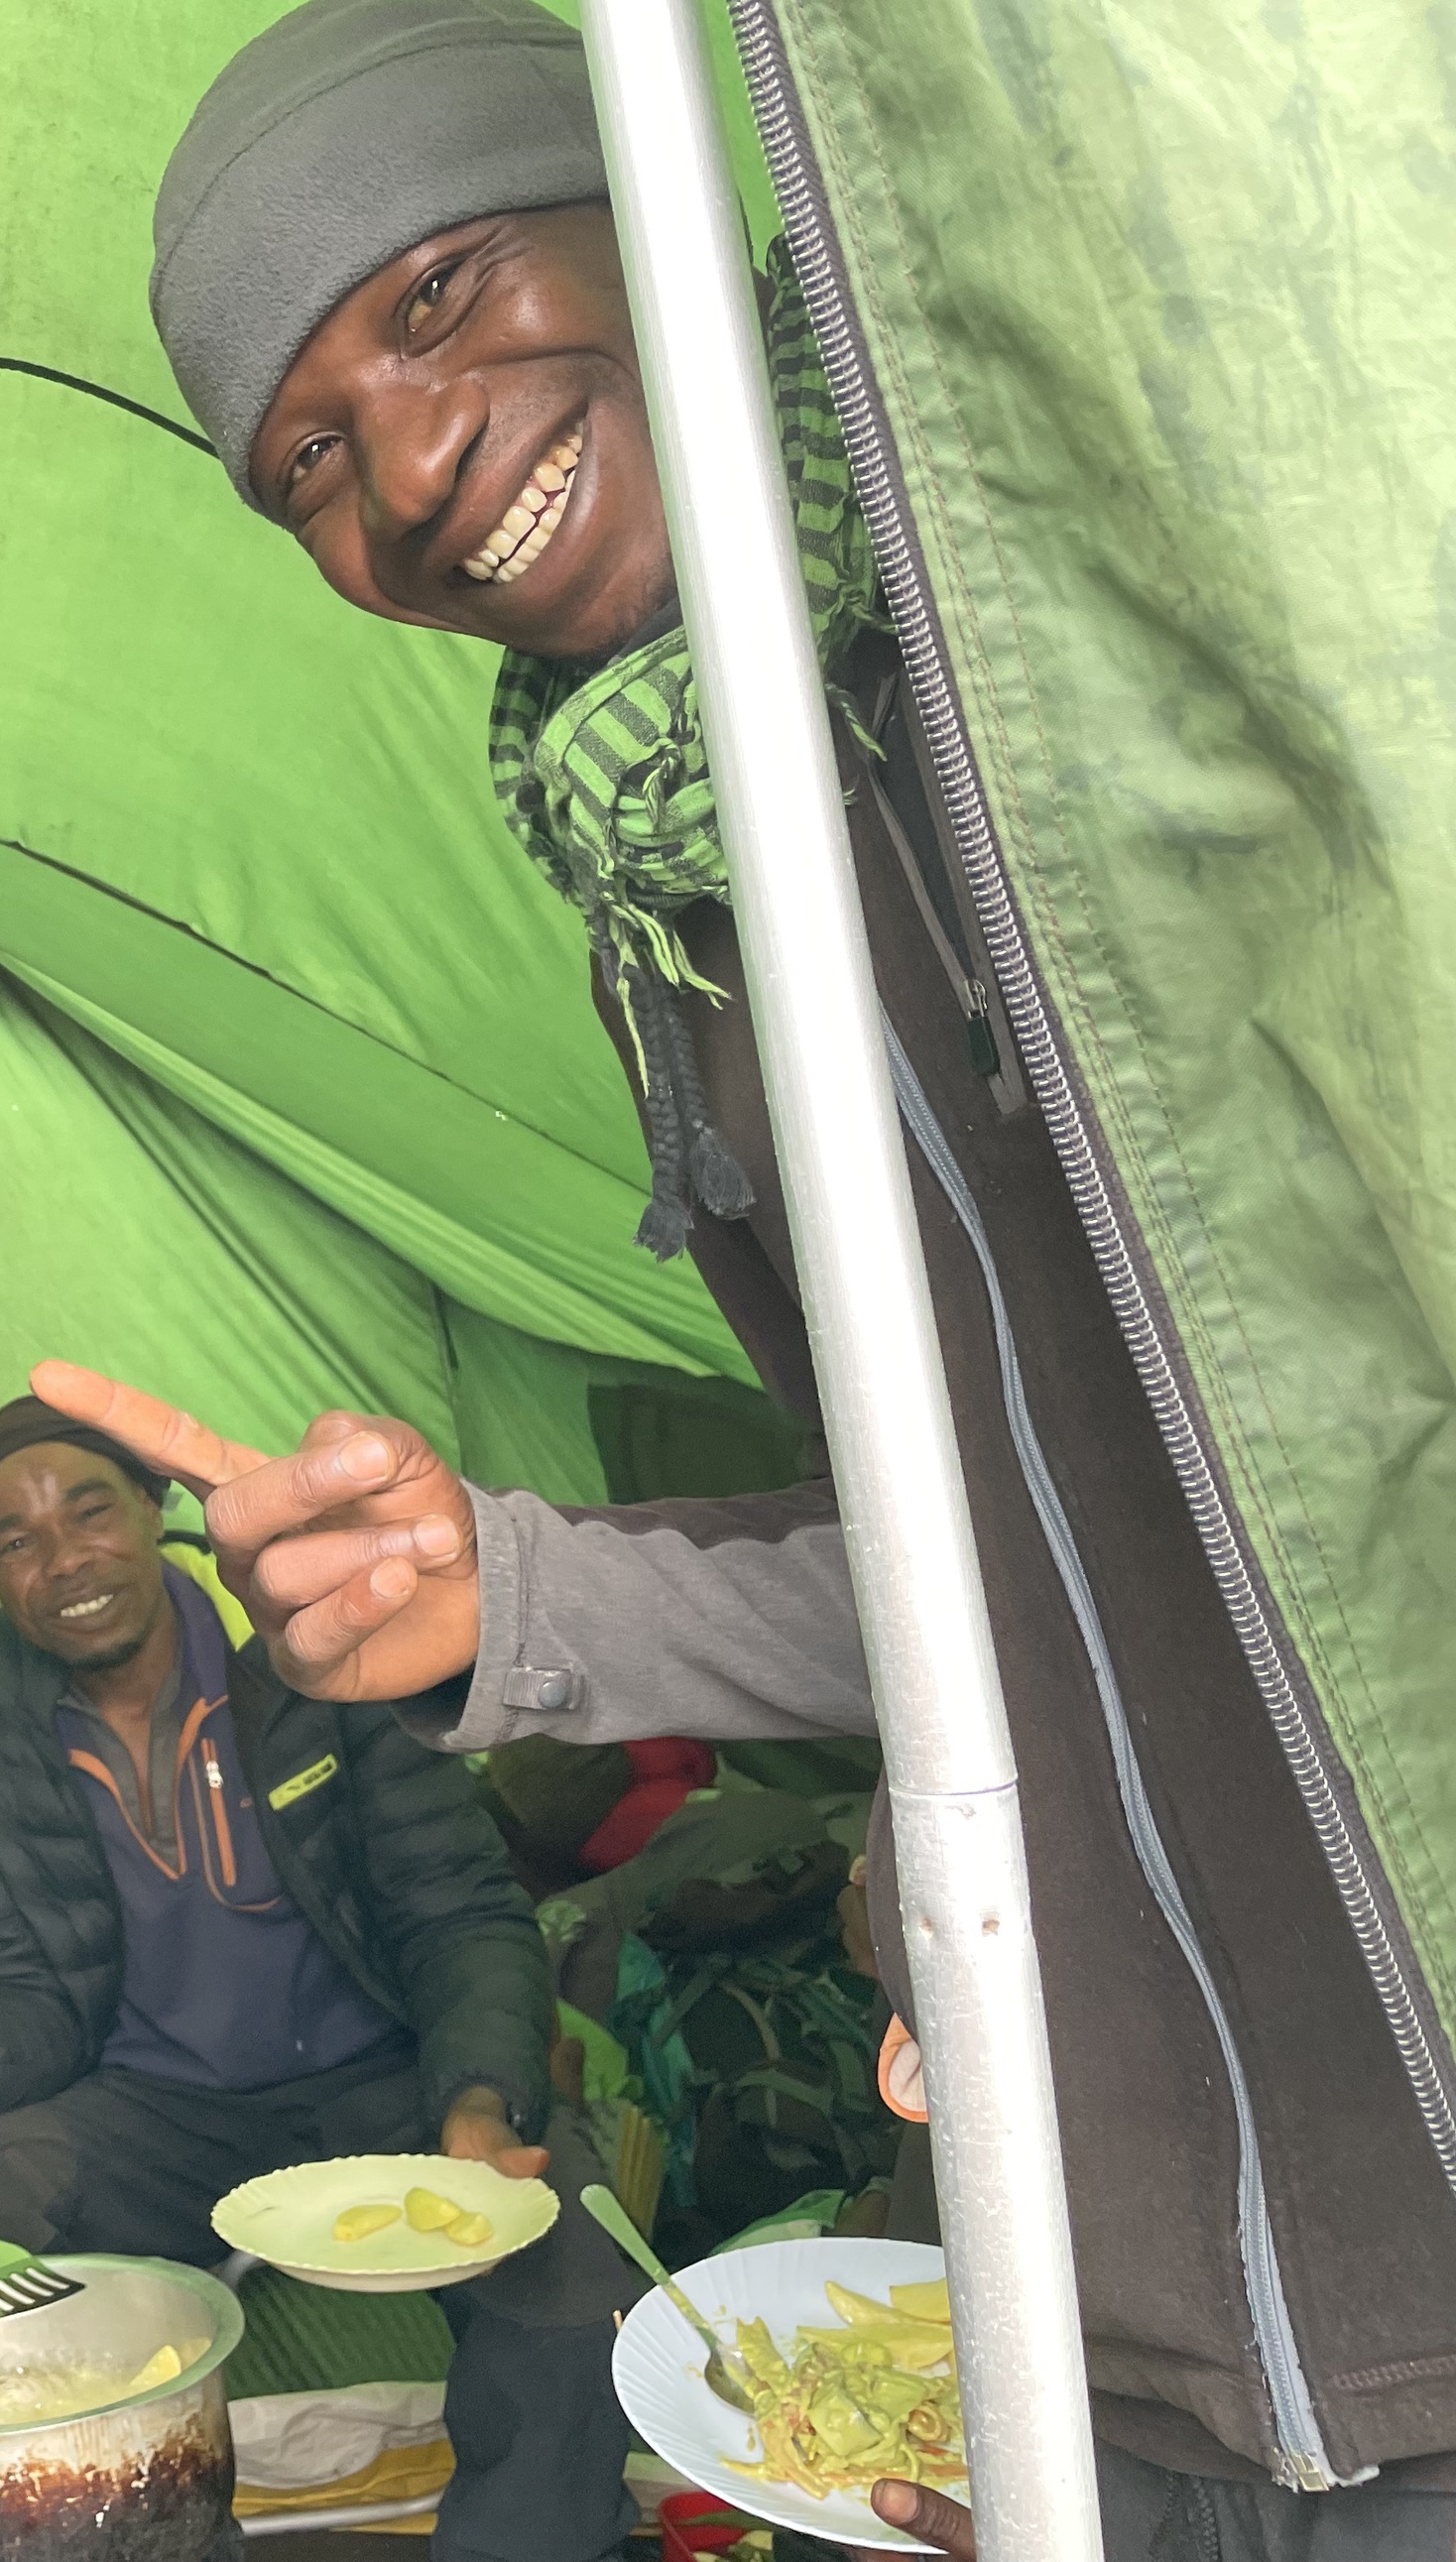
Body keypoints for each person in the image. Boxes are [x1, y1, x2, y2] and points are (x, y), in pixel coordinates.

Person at [104, 4, 1456, 2552]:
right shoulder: (678, 931)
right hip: (1127, 2326)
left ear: (630, 196)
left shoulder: (1112, 653)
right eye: (304, 460)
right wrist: (507, 1591)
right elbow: (982, 1579)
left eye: (432, 296)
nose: (407, 467)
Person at [0, 1397, 642, 2562]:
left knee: (562, 2273)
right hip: (150, 2114)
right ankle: (101, 2532)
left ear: (156, 1513)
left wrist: (478, 2101)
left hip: (380, 2092)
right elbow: (29, 1991)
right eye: (15, 1540)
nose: (64, 1560)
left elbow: (459, 1910)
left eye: (90, 1510)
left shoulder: (309, 1655)